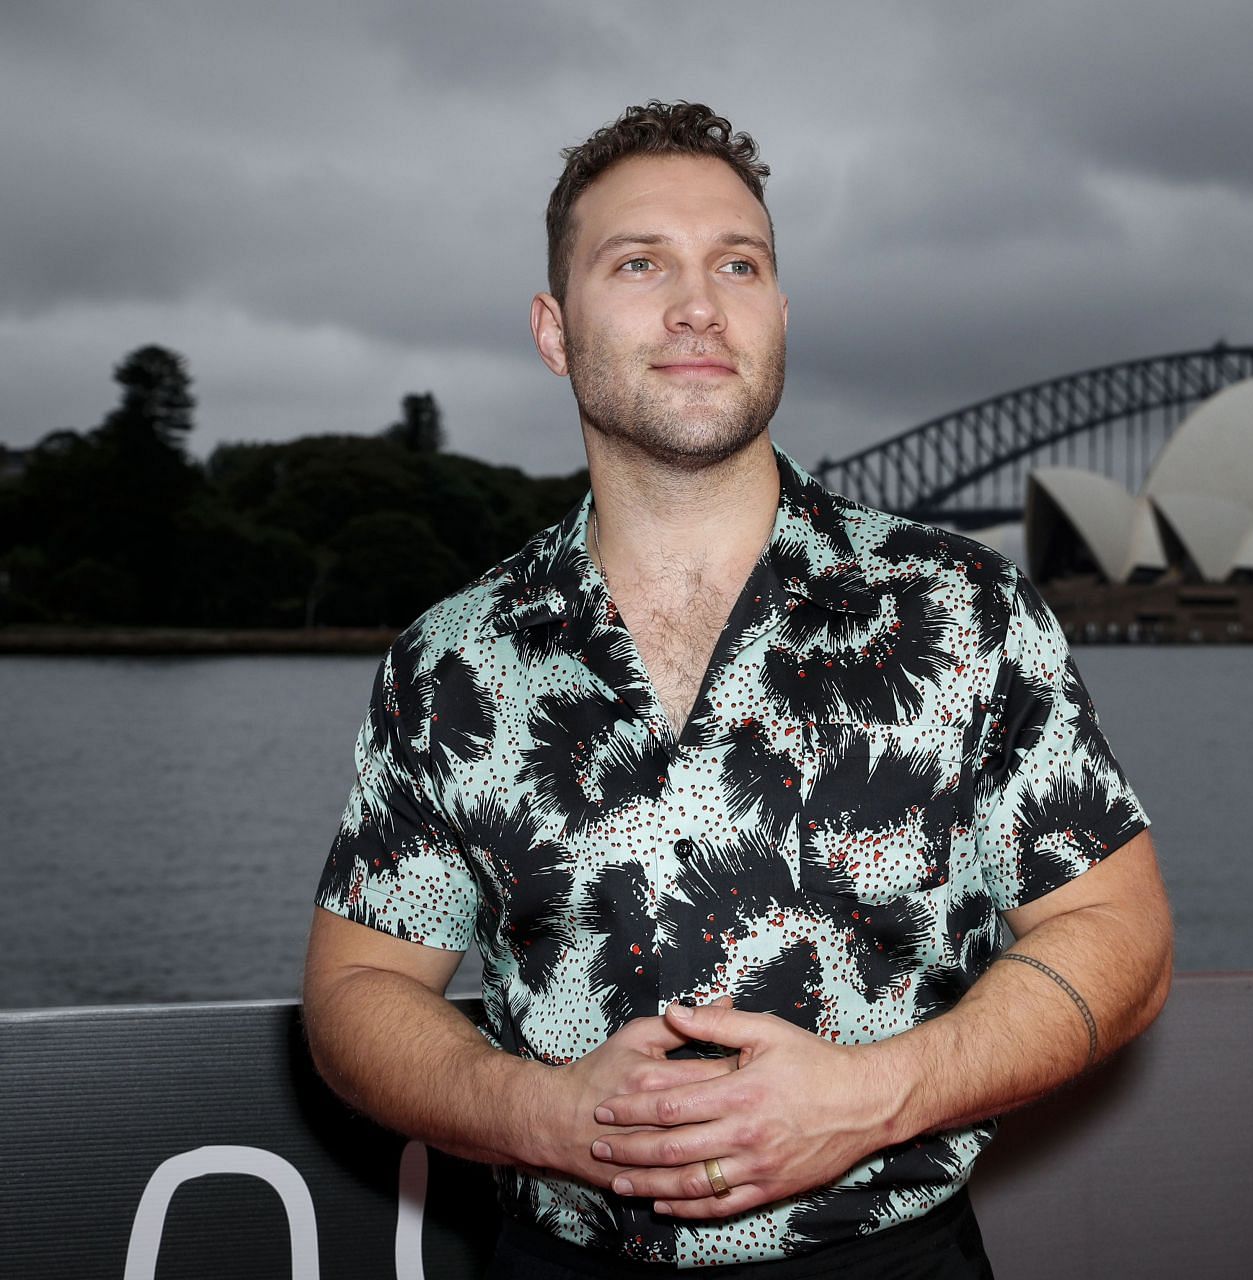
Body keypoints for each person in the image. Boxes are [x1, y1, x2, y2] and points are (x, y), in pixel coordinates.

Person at [301, 100, 1173, 1277]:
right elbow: (357, 987)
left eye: (739, 263)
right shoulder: (454, 660)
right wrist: (541, 1114)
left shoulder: (960, 610)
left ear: (779, 312)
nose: (698, 304)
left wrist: (873, 1094)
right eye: (640, 261)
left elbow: (1119, 931)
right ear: (554, 332)